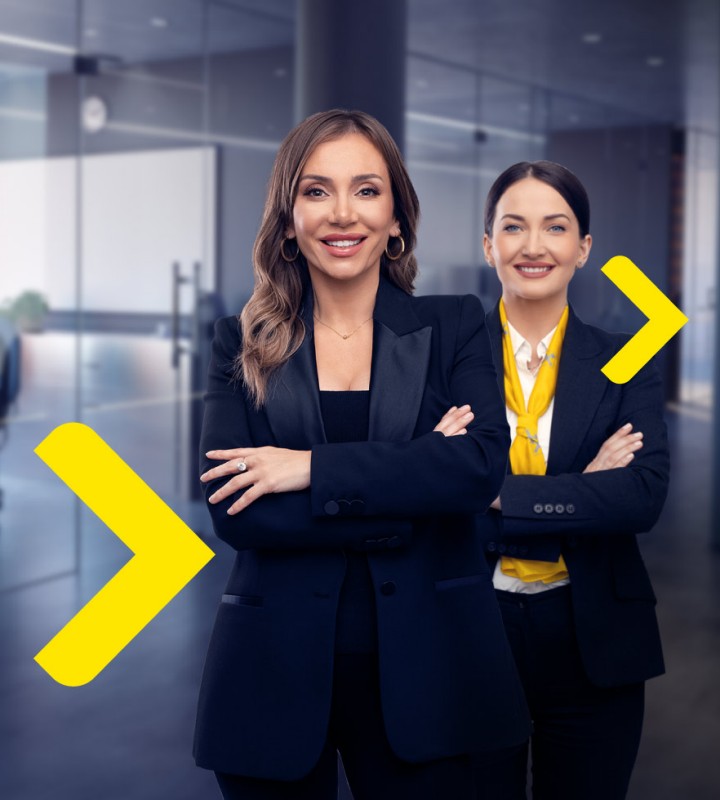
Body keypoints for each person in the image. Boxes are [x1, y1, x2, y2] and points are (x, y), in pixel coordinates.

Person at [193, 109, 530, 800]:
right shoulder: (239, 341)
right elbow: (237, 512)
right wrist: (414, 481)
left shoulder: (454, 324)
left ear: (396, 217)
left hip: (434, 669)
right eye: (316, 190)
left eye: (367, 190)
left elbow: (475, 472)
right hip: (270, 672)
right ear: (288, 221)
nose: (342, 213)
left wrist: (305, 469)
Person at [473, 161, 669, 800]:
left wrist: (497, 493)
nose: (533, 246)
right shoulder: (444, 359)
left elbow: (640, 496)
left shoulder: (626, 359)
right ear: (488, 245)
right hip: (471, 629)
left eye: (555, 228)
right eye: (513, 227)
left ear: (583, 248)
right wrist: (584, 489)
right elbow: (425, 491)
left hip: (594, 636)